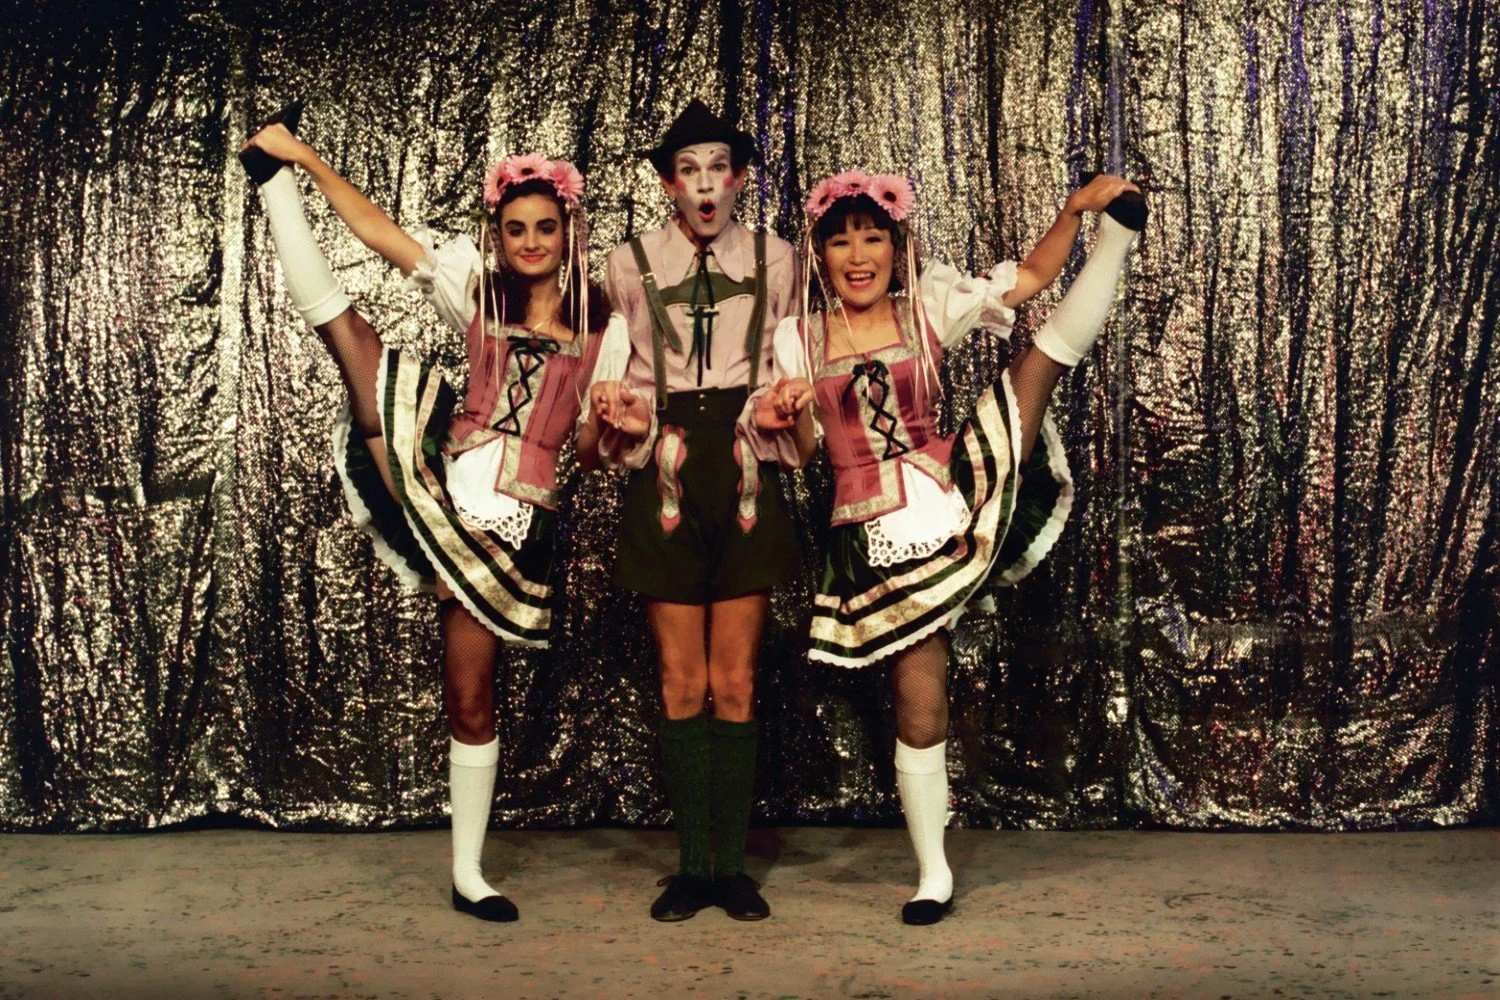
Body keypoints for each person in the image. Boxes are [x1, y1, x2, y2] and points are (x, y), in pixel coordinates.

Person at [239, 105, 627, 922]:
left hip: (516, 525)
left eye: (544, 227)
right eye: (515, 228)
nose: (530, 242)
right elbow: (380, 232)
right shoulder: (476, 291)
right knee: (351, 339)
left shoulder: (606, 330)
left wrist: (610, 424)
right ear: (498, 235)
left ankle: (468, 874)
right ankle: (271, 178)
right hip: (444, 481)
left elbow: (593, 456)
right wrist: (306, 159)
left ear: (568, 232)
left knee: (472, 696)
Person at [747, 168, 1146, 924]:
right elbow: (802, 455)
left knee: (1037, 369)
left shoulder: (927, 304)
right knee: (920, 705)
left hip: (952, 488)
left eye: (873, 238)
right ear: (820, 255)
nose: (858, 255)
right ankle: (933, 874)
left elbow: (1028, 280)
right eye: (841, 242)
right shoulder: (798, 337)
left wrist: (1072, 213)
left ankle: (1115, 241)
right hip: (874, 533)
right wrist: (786, 413)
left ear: (896, 247)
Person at [590, 99, 800, 921]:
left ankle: (731, 868)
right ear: (668, 184)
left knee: (735, 678)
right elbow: (619, 375)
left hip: (744, 461)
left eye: (718, 169)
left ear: (740, 178)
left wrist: (783, 410)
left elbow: (789, 362)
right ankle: (692, 868)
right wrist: (623, 416)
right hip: (669, 466)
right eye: (688, 171)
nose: (705, 185)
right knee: (682, 678)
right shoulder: (628, 263)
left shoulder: (779, 259)